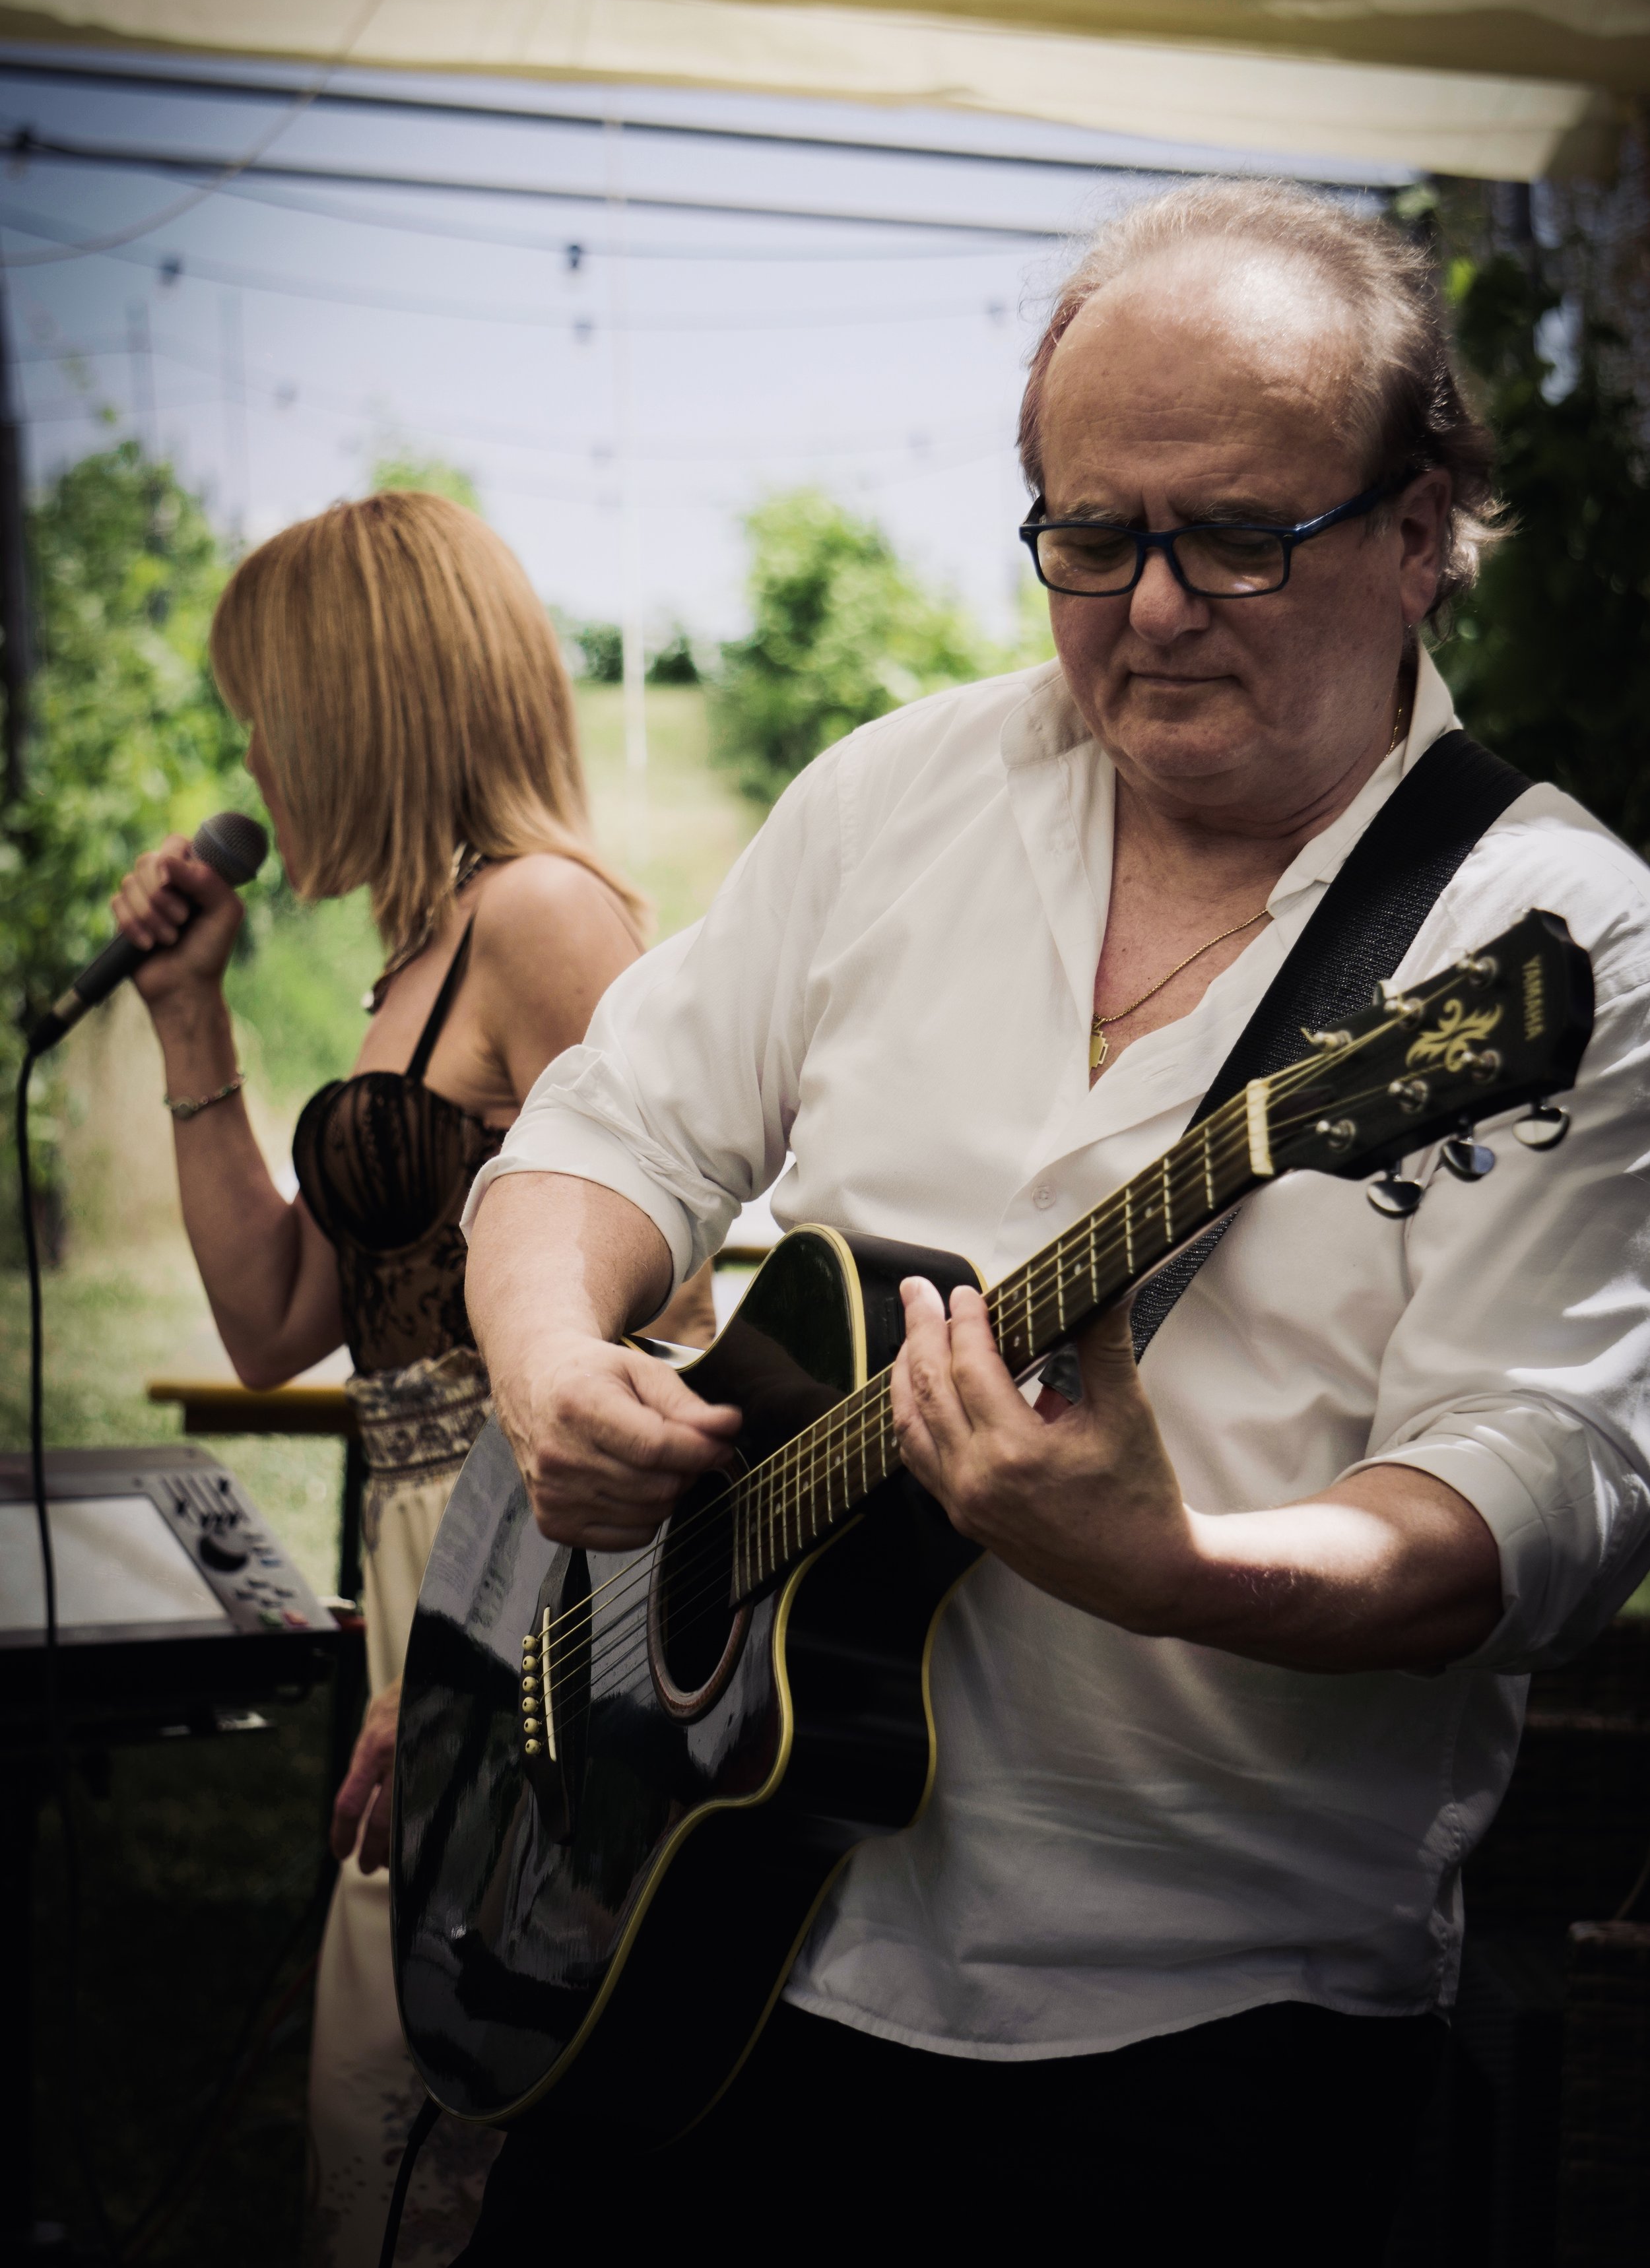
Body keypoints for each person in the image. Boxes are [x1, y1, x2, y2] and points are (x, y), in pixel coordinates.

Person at [453, 183, 1650, 2262]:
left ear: (1415, 527)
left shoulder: (1555, 944)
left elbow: (1539, 1488)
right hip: (696, 1910)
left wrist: (1175, 1569)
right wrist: (554, 1359)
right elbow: (608, 1128)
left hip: (1190, 2040)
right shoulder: (898, 794)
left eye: (1235, 536)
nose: (1152, 607)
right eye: (1091, 538)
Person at [112, 492, 711, 2268]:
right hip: (408, 1535)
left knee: (433, 2098)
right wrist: (191, 1015)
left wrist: (488, 1636)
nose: (252, 756)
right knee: (379, 2095)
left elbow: (663, 1323)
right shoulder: (422, 948)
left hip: (519, 1552)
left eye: (267, 712)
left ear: (359, 705)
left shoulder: (544, 917)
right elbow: (275, 1319)